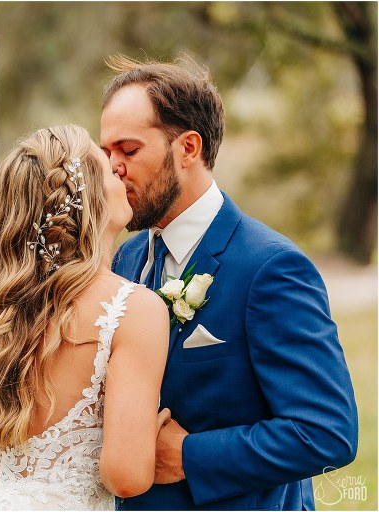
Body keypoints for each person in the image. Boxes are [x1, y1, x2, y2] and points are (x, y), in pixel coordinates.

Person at [100, 55, 359, 510]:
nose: (113, 168)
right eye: (107, 154)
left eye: (129, 149)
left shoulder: (270, 268)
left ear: (188, 149)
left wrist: (189, 456)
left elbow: (327, 433)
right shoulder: (127, 256)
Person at [0, 124, 171, 509]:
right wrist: (143, 441)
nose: (119, 169)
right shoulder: (131, 310)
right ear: (90, 199)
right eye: (108, 169)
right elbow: (125, 477)